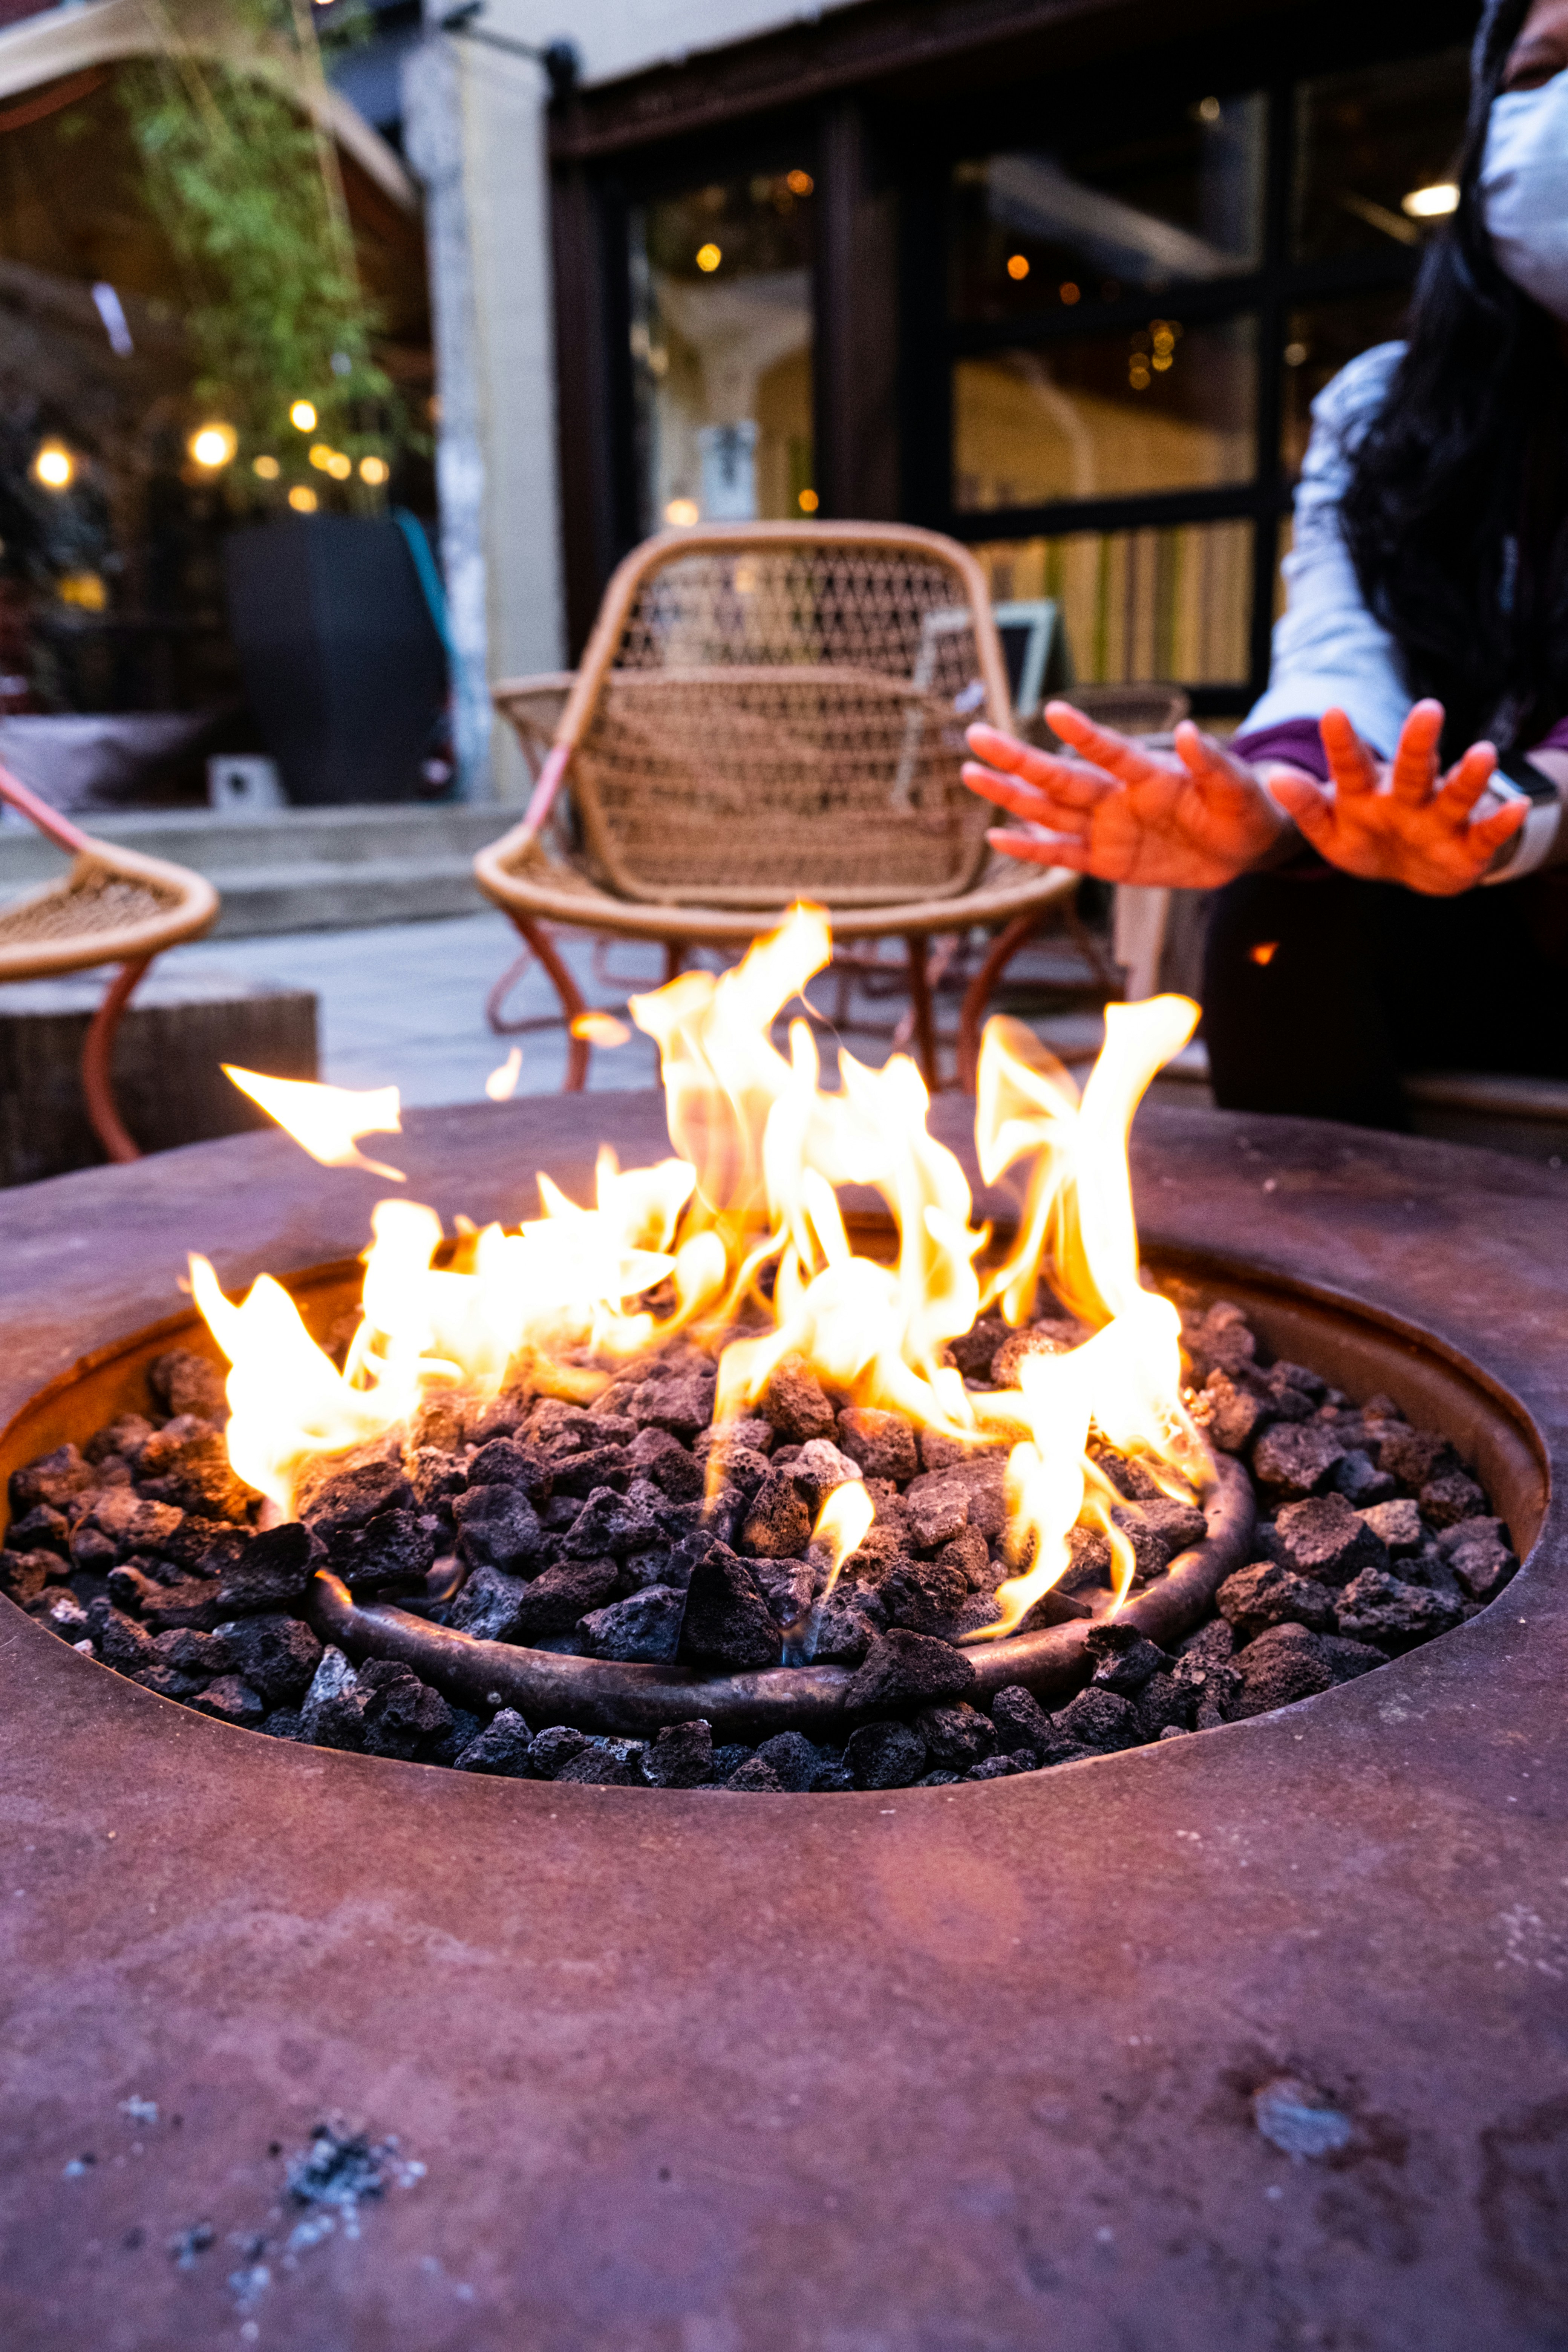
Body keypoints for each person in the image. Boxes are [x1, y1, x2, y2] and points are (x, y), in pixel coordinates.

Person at [962, 0, 1568, 1127]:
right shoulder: (1388, 409)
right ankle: (1340, 1281)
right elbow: (1340, 653)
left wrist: (1516, 811)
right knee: (1277, 904)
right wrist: (1279, 800)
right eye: (1543, 71)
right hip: (1480, 910)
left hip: (1534, 859)